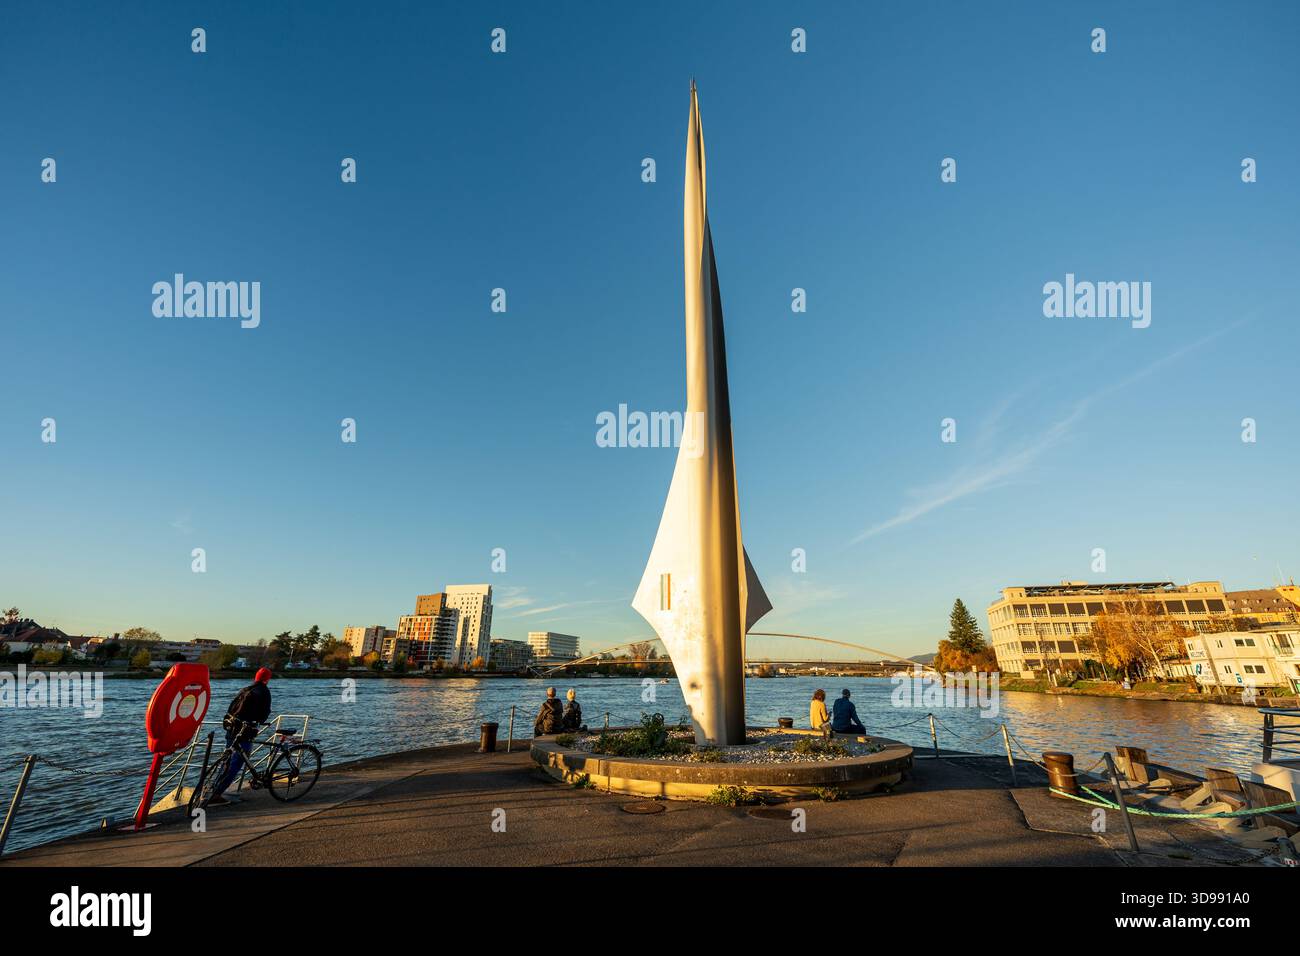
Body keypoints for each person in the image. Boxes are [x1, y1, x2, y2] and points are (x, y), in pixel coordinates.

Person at [211, 667, 273, 803]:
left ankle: (213, 789)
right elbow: (263, 715)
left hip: (231, 728)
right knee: (237, 762)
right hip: (245, 731)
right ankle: (216, 793)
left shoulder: (246, 689)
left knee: (227, 760)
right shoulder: (264, 692)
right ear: (267, 679)